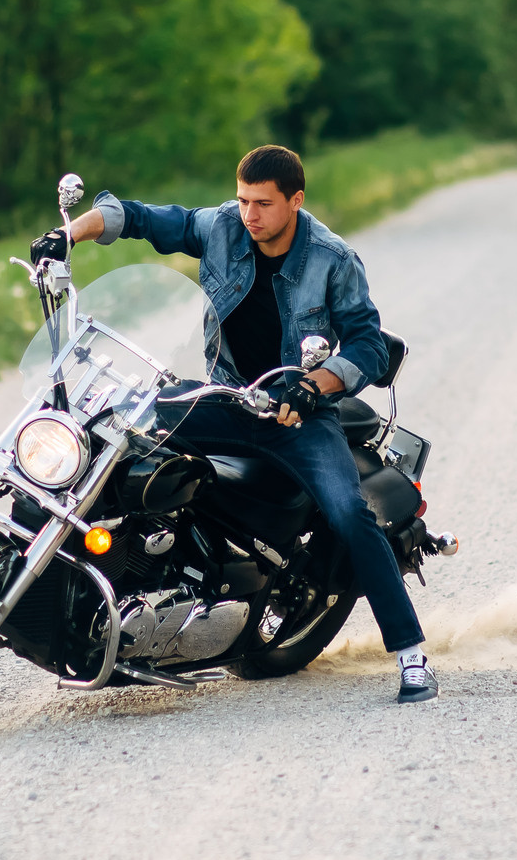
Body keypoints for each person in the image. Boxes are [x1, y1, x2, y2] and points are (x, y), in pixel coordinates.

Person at [50, 145, 435, 704]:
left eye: (262, 204)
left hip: (296, 413)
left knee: (350, 513)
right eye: (243, 200)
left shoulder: (332, 258)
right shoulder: (223, 228)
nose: (249, 214)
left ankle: (411, 654)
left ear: (295, 202)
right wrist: (70, 235)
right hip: (225, 396)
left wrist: (314, 385)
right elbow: (139, 216)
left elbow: (369, 346)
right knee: (114, 429)